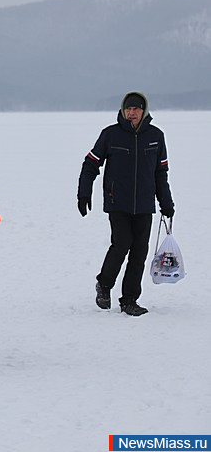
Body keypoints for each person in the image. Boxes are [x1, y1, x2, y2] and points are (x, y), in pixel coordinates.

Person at [77, 91, 174, 317]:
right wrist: (84, 193)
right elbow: (90, 164)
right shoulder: (110, 135)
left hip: (144, 203)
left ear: (144, 111)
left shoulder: (156, 136)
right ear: (122, 110)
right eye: (128, 109)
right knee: (122, 243)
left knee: (139, 251)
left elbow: (161, 174)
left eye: (136, 109)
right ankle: (104, 284)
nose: (131, 113)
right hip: (117, 201)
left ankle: (129, 300)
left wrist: (166, 202)